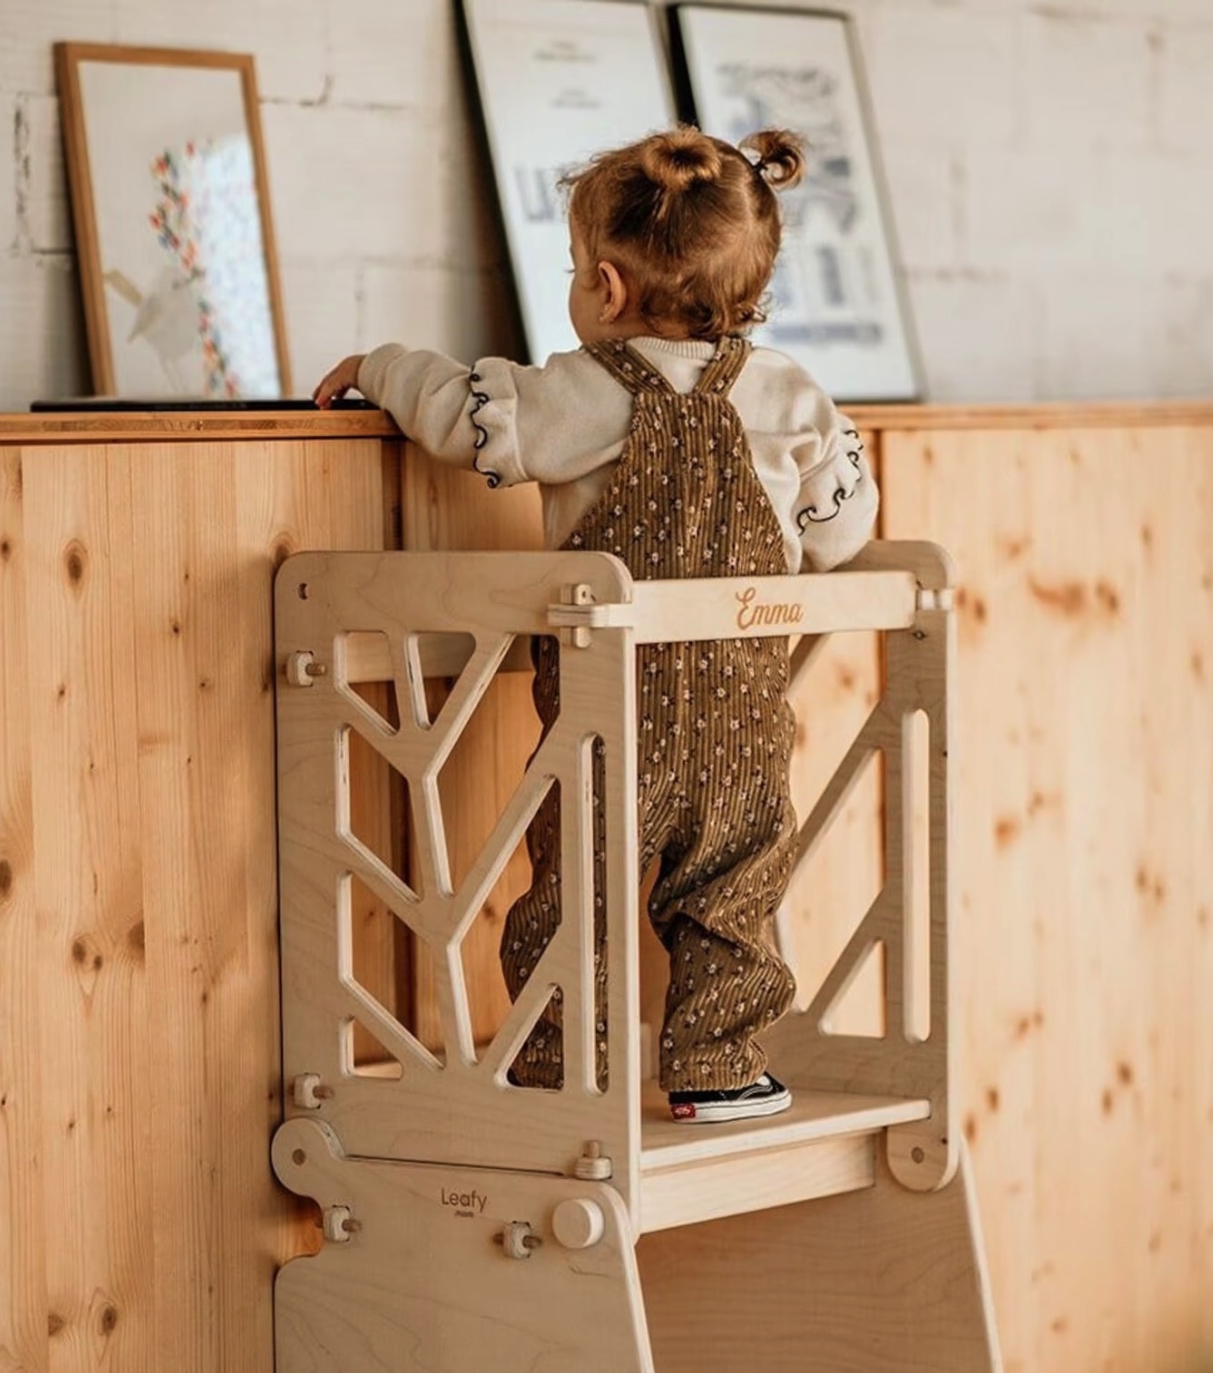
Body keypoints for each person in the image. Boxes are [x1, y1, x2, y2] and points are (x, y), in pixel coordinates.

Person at [314, 126, 877, 1122]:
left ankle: (562, 1067)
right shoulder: (793, 397)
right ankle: (719, 1067)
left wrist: (380, 363)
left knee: (574, 899)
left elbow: (453, 413)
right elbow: (838, 540)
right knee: (734, 896)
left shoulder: (577, 392)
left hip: (604, 727)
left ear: (606, 290)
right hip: (744, 732)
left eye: (577, 271)